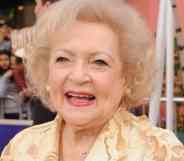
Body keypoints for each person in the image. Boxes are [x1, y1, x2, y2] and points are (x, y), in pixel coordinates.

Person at [1, 0, 184, 160]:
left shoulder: (160, 152)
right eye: (63, 59)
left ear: (127, 77)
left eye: (99, 62)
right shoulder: (21, 149)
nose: (78, 76)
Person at [11, 0, 58, 124]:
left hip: (50, 105)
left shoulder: (33, 37)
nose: (35, 10)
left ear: (47, 5)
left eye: (37, 4)